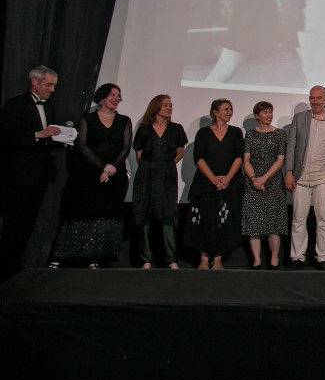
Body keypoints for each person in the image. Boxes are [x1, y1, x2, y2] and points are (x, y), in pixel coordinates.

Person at [48, 83, 132, 269]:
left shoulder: (124, 120)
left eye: (118, 95)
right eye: (112, 94)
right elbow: (82, 145)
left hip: (114, 176)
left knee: (106, 216)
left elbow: (126, 146)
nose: (116, 98)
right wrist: (102, 167)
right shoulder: (87, 118)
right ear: (101, 98)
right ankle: (62, 256)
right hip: (88, 174)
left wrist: (111, 169)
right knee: (79, 213)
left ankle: (96, 257)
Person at [0, 66, 62, 279]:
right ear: (34, 82)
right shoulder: (16, 105)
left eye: (54, 85)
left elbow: (46, 142)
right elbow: (5, 138)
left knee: (27, 225)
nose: (52, 89)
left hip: (39, 178)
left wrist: (64, 140)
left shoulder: (50, 108)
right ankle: (5, 269)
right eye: (49, 84)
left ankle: (14, 266)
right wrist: (37, 134)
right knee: (13, 225)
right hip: (17, 179)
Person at [285, 85, 325, 270]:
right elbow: (291, 146)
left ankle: (323, 258)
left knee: (323, 219)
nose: (315, 101)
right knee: (298, 219)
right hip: (301, 177)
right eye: (312, 98)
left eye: (319, 98)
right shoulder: (299, 118)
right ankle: (297, 258)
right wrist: (288, 172)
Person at [187, 98, 245, 269]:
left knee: (224, 221)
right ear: (215, 111)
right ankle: (204, 259)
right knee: (206, 220)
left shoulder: (235, 132)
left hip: (230, 184)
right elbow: (199, 157)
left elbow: (239, 157)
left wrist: (226, 178)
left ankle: (218, 259)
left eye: (231, 109)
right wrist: (213, 178)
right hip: (205, 184)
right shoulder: (203, 133)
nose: (229, 112)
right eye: (226, 109)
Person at [132, 95, 187, 269]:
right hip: (146, 175)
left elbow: (180, 151)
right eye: (165, 105)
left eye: (171, 105)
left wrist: (169, 165)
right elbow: (139, 153)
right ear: (156, 107)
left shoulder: (176, 128)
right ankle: (146, 259)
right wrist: (148, 167)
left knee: (168, 215)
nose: (169, 108)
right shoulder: (144, 129)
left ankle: (171, 259)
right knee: (145, 214)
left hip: (167, 175)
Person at [242, 100, 287, 270]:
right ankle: (256, 260)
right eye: (265, 112)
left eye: (270, 112)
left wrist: (264, 178)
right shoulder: (250, 134)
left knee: (273, 222)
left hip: (273, 181)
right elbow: (246, 160)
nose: (269, 115)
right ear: (257, 115)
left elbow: (281, 160)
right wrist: (254, 178)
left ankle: (274, 259)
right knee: (254, 221)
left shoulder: (279, 133)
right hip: (253, 181)